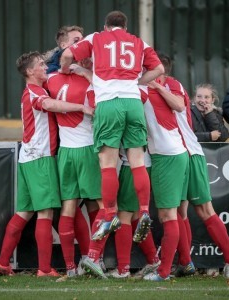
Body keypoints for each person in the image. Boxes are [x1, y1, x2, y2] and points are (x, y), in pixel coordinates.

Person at [60, 10, 164, 247]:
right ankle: (146, 211)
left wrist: (66, 69)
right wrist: (136, 82)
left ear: (106, 27)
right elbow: (158, 70)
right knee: (137, 161)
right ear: (125, 28)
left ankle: (108, 216)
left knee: (107, 164)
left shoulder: (97, 37)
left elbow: (67, 55)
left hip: (108, 102)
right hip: (133, 101)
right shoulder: (139, 41)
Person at [152, 54, 229, 281]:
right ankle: (187, 262)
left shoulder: (166, 87)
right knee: (183, 211)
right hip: (186, 153)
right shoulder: (172, 86)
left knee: (200, 211)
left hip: (187, 154)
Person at [0, 51, 62, 277]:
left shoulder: (33, 90)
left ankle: (2, 263)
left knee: (24, 212)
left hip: (28, 157)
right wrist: (81, 108)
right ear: (30, 71)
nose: (45, 67)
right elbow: (50, 105)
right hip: (40, 158)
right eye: (41, 65)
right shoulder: (34, 93)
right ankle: (44, 269)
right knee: (45, 214)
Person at [42, 60, 100, 277]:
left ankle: (70, 267)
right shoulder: (91, 81)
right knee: (100, 204)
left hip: (65, 151)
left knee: (69, 207)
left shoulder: (50, 79)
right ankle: (96, 259)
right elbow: (98, 111)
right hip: (87, 149)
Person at [140, 55, 190, 282]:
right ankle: (182, 263)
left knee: (168, 215)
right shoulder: (153, 89)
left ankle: (164, 272)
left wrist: (157, 88)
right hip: (171, 154)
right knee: (171, 214)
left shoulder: (147, 90)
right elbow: (179, 105)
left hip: (168, 156)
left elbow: (180, 105)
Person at [107, 150, 160, 278]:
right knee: (135, 215)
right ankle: (153, 260)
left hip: (133, 166)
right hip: (142, 165)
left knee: (124, 215)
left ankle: (123, 269)